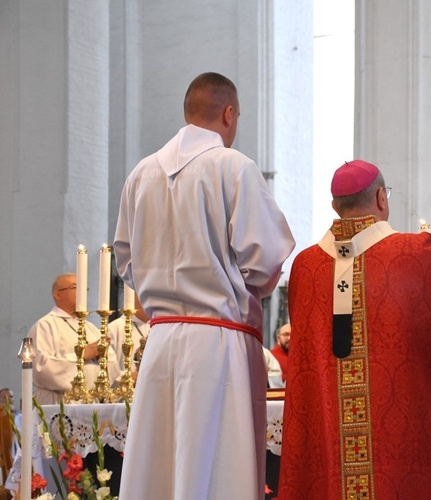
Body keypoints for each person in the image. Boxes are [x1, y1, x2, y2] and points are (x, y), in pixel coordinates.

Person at [113, 72, 295, 499]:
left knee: (159, 470)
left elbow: (126, 261)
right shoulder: (233, 167)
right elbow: (267, 259)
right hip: (219, 342)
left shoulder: (141, 174)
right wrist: (244, 285)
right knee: (217, 471)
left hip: (159, 344)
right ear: (229, 114)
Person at [278, 160, 431, 499]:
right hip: (402, 461)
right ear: (381, 198)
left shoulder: (305, 267)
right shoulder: (412, 253)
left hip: (330, 459)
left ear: (335, 206)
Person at [28, 274, 120, 404]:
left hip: (90, 402)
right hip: (58, 402)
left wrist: (103, 358)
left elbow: (113, 367)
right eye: (75, 287)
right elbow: (41, 369)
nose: (82, 292)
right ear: (58, 295)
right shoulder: (45, 326)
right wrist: (82, 355)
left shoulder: (91, 328)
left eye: (85, 288)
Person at [108, 293, 150, 375]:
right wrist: (130, 377)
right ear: (133, 297)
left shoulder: (158, 328)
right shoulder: (114, 328)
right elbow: (107, 366)